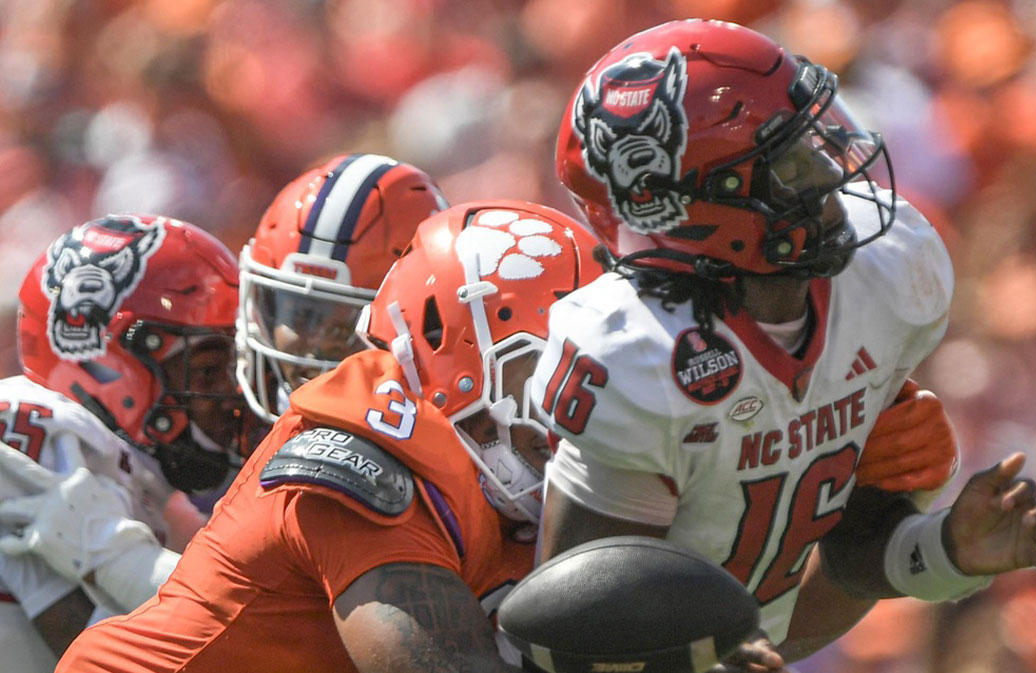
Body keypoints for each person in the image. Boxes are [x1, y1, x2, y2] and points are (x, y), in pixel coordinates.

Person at [531, 18, 1036, 665]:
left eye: (812, 139)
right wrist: (698, 656)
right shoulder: (635, 354)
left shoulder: (889, 268)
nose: (824, 172)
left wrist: (945, 547)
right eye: (787, 161)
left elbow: (841, 565)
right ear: (699, 207)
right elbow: (573, 636)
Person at [54, 200, 604, 673]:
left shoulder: (497, 476)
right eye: (544, 365)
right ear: (453, 353)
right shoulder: (368, 447)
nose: (570, 397)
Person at [0, 214, 250, 672]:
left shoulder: (147, 488)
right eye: (210, 371)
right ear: (108, 368)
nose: (230, 395)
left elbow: (234, 611)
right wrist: (118, 556)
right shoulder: (28, 431)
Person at [237, 153, 449, 423]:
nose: (320, 343)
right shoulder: (232, 428)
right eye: (301, 315)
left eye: (350, 325)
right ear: (264, 310)